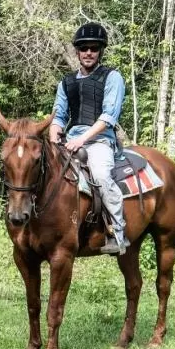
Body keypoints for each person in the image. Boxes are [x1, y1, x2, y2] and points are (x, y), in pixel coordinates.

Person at [49, 22, 129, 255]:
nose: (88, 53)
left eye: (94, 48)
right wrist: (55, 138)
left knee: (102, 176)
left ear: (100, 51)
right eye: (84, 48)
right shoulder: (66, 82)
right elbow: (59, 115)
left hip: (99, 141)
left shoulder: (112, 77)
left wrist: (81, 140)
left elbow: (108, 117)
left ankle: (118, 233)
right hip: (70, 140)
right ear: (77, 51)